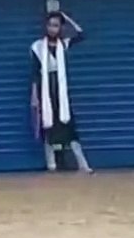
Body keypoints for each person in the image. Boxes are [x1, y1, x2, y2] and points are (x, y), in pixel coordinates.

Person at [30, 11, 92, 173]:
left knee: (69, 125)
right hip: (46, 90)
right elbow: (35, 73)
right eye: (50, 25)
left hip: (61, 91)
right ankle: (51, 165)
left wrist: (66, 17)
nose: (52, 29)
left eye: (56, 25)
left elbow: (82, 34)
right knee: (48, 126)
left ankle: (83, 164)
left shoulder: (63, 44)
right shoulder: (37, 47)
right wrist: (35, 96)